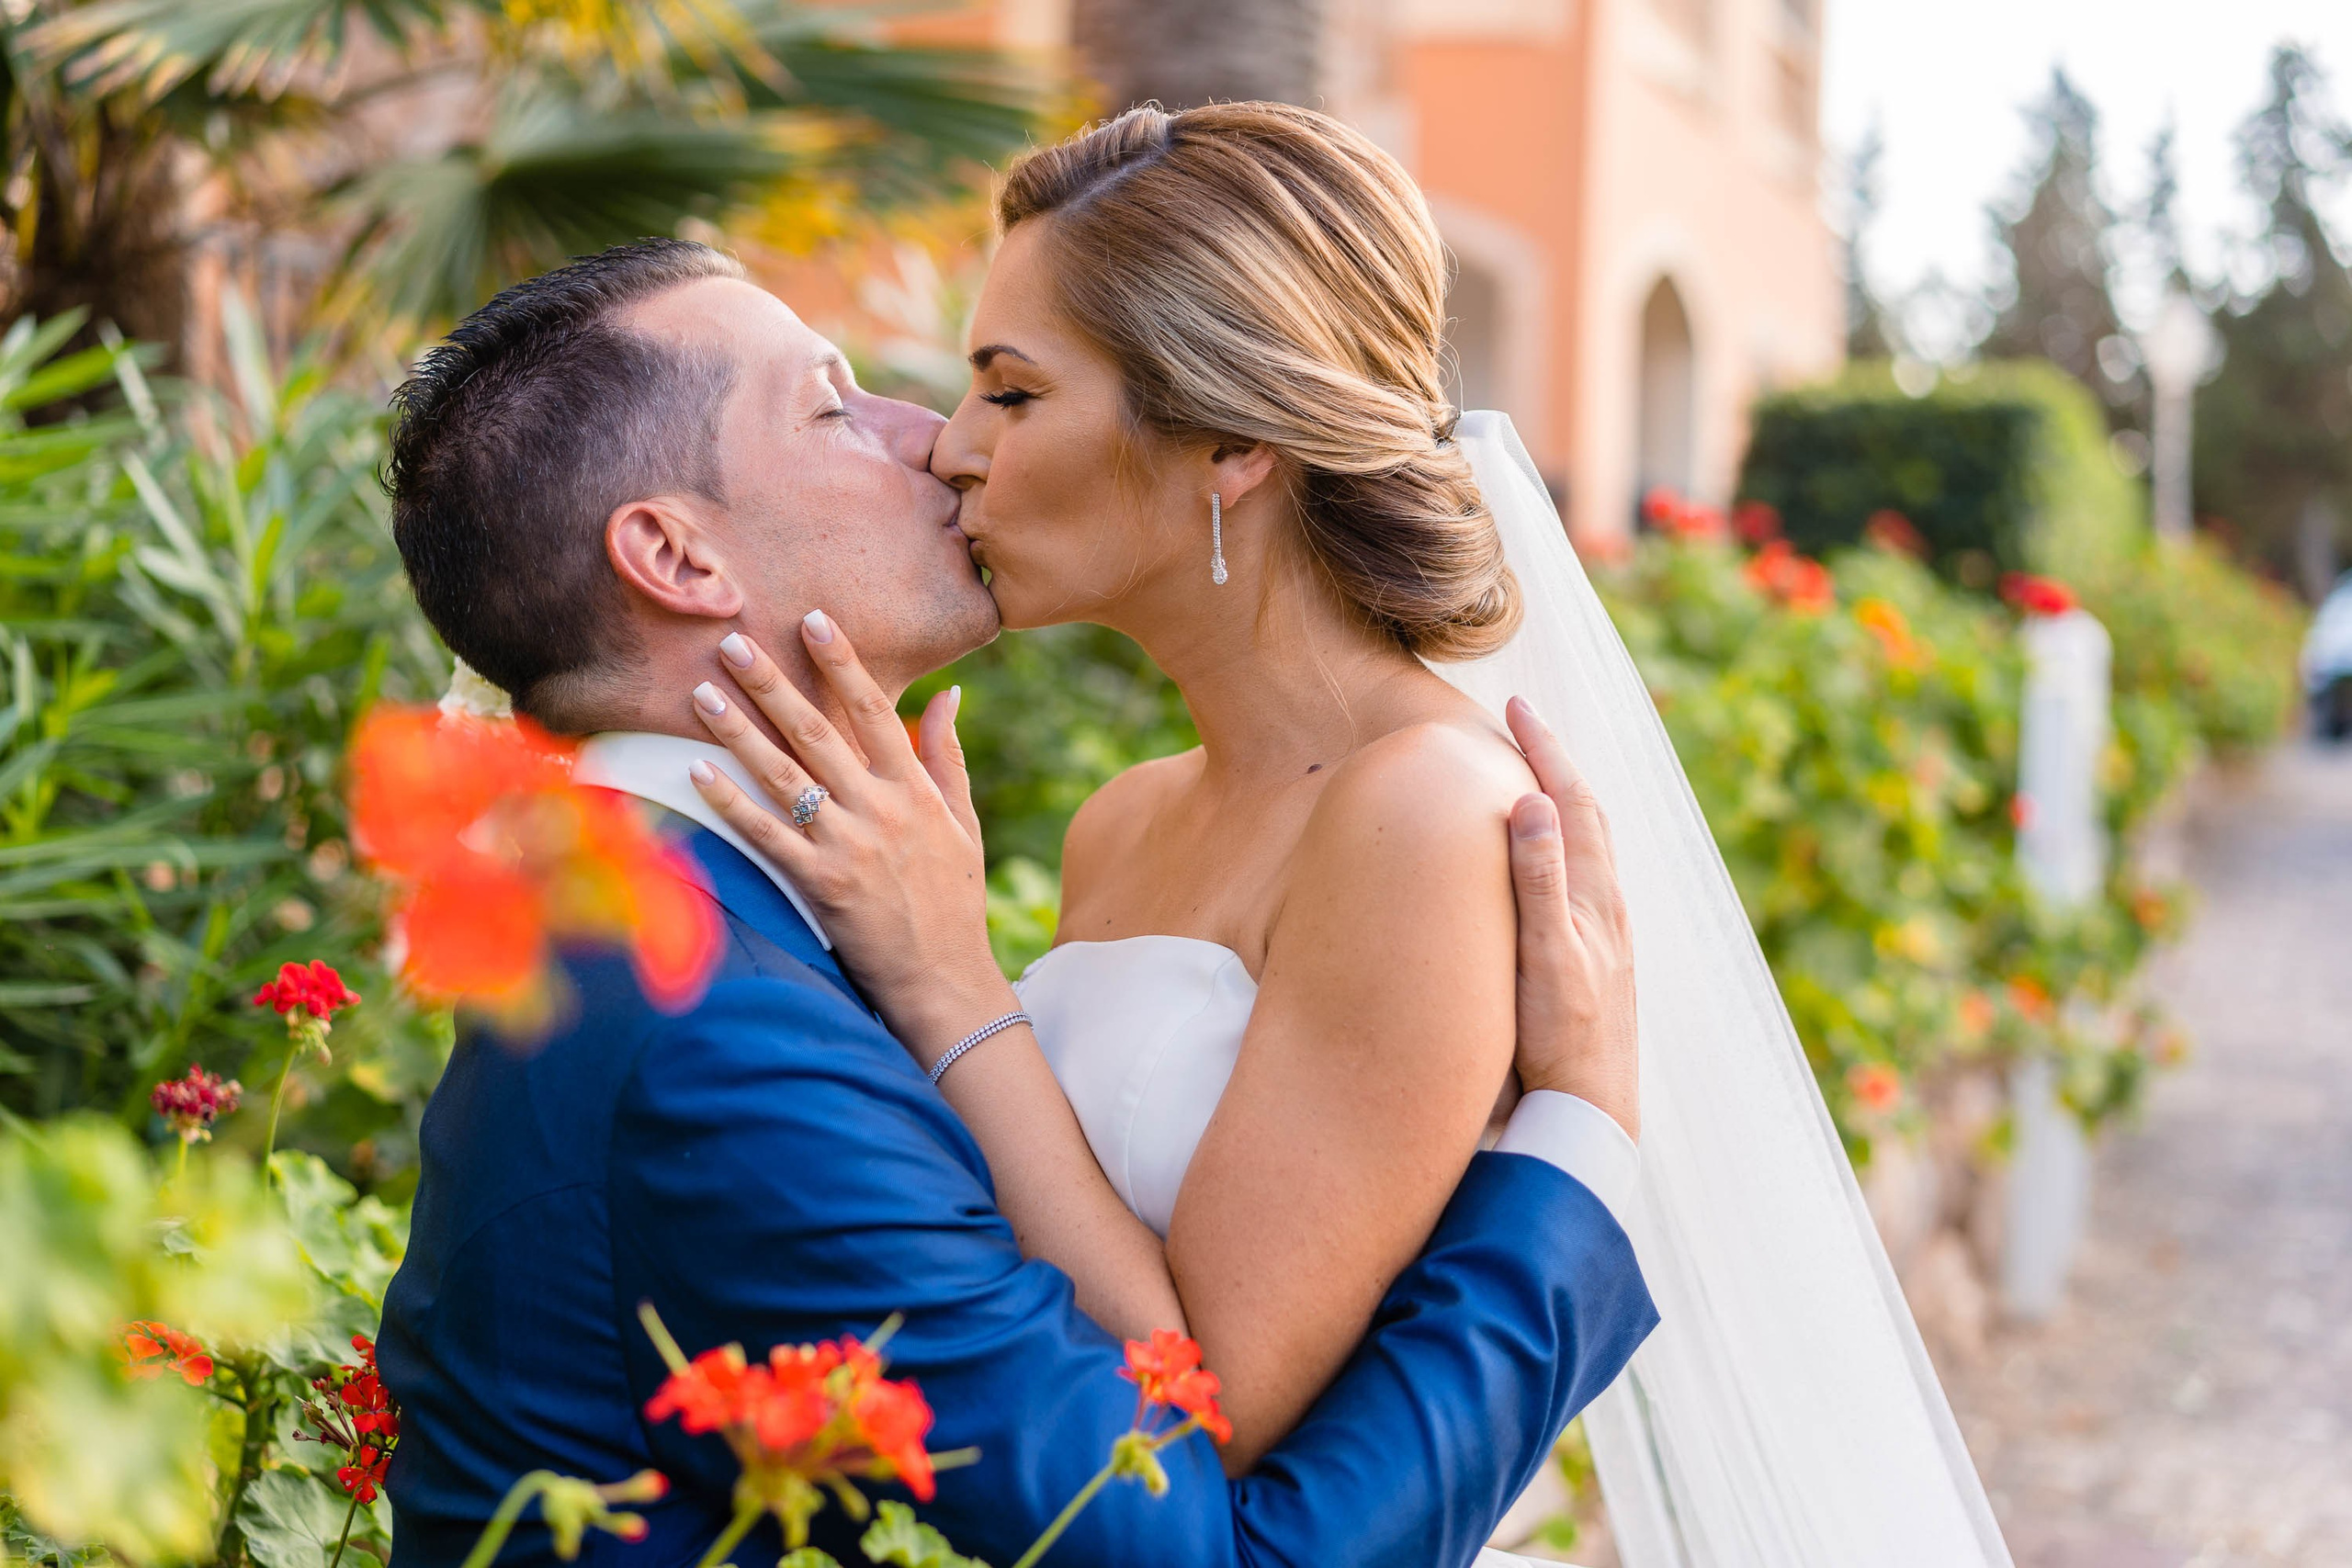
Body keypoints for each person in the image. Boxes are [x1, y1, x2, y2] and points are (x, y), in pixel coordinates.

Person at [685, 105, 2018, 1568]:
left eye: (1011, 394)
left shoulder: (1427, 815)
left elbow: (1206, 1412)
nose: (949, 450)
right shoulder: (1126, 821)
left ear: (1232, 439)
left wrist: (948, 973)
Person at [377, 230, 1655, 1567]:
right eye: (832, 403)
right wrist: (1581, 1150)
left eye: (1010, 392)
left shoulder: (675, 927)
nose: (933, 438)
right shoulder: (715, 1032)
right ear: (680, 560)